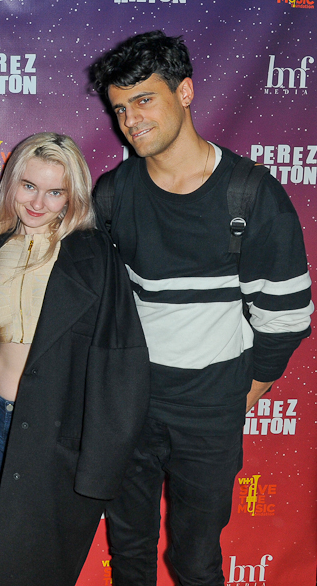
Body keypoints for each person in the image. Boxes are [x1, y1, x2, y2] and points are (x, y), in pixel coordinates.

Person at [89, 30, 313, 585]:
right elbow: (101, 305)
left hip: (211, 407)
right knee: (130, 552)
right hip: (129, 404)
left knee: (196, 561)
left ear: (185, 92)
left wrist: (239, 395)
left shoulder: (250, 194)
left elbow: (286, 316)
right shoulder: (114, 194)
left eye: (145, 100)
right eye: (120, 108)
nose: (131, 120)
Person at [0, 132, 151, 586]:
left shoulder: (95, 258)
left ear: (73, 196)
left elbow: (121, 364)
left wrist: (100, 467)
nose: (38, 202)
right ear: (11, 183)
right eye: (29, 186)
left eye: (55, 192)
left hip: (52, 436)